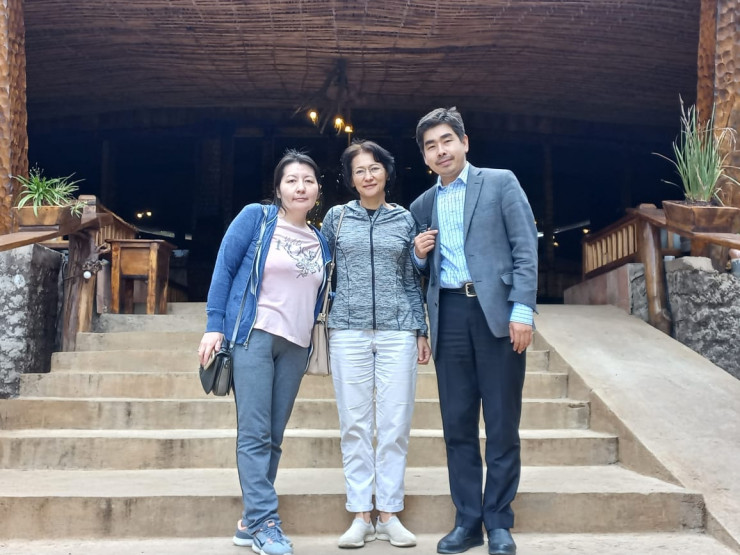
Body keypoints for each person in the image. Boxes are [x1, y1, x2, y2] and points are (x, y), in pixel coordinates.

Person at [409, 108, 538, 555]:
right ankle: (467, 521)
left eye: (447, 140)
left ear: (464, 142)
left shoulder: (500, 183)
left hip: (497, 315)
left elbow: (525, 247)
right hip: (448, 315)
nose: (440, 151)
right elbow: (418, 274)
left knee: (502, 423)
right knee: (457, 425)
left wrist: (522, 310)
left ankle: (499, 521)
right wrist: (419, 256)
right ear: (425, 156)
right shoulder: (421, 206)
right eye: (430, 146)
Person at [198, 150, 331, 555]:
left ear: (318, 190)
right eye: (291, 180)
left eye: (308, 180)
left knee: (273, 436)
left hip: (297, 345)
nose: (300, 187)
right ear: (278, 188)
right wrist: (214, 326)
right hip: (253, 336)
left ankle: (249, 522)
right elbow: (224, 269)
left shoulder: (322, 241)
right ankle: (264, 523)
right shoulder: (256, 219)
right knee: (255, 432)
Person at [321, 140, 431, 549]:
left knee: (394, 424)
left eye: (374, 168)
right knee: (354, 424)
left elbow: (412, 278)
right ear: (350, 179)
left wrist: (420, 329)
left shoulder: (405, 219)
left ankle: (388, 514)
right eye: (359, 171)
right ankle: (360, 516)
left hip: (397, 330)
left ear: (387, 172)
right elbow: (321, 270)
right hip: (347, 330)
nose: (368, 176)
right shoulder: (335, 218)